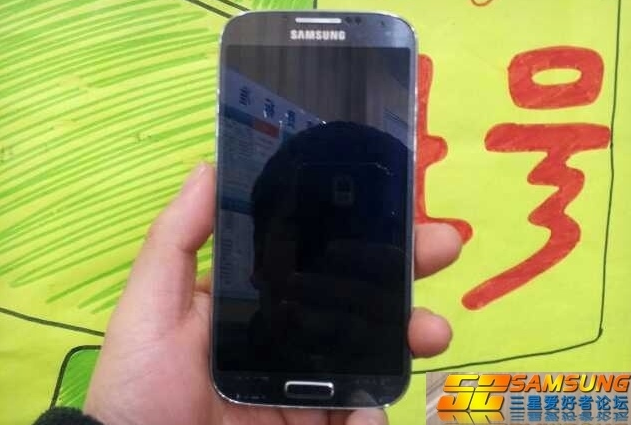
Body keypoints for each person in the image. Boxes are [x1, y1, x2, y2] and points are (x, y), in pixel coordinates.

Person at [34, 162, 462, 425]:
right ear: (254, 255)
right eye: (302, 233)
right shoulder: (213, 362)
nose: (318, 254)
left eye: (337, 235)